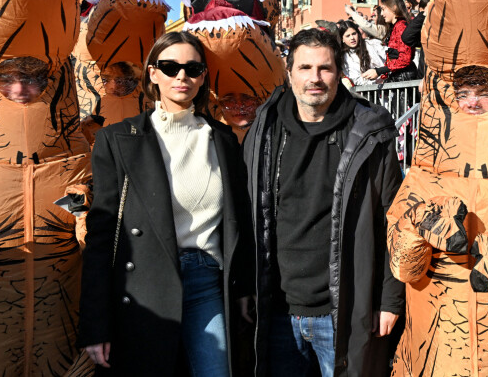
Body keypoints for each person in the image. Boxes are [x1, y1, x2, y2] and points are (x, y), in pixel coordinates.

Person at [78, 31, 255, 376]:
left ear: (204, 76)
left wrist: (244, 288)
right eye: (170, 67)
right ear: (152, 73)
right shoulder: (118, 139)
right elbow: (101, 238)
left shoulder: (222, 139)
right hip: (145, 288)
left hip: (206, 281)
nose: (181, 77)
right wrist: (95, 324)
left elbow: (239, 224)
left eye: (192, 68)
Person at [243, 28, 404, 377]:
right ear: (289, 73)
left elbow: (394, 220)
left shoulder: (370, 131)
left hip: (344, 312)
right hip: (279, 313)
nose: (315, 78)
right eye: (305, 68)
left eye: (325, 68)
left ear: (338, 71)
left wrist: (389, 300)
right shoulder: (264, 129)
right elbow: (249, 216)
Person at [362, 0, 416, 83]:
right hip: (400, 77)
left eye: (383, 9)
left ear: (394, 7)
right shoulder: (395, 26)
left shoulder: (401, 26)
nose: (382, 14)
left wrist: (379, 71)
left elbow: (405, 59)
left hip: (404, 78)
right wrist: (382, 74)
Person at [338, 20, 385, 86]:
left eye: (354, 34)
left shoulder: (373, 44)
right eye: (348, 36)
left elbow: (390, 60)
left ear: (358, 33)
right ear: (342, 39)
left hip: (388, 83)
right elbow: (356, 79)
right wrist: (375, 82)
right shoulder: (345, 57)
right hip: (368, 91)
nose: (352, 38)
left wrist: (382, 73)